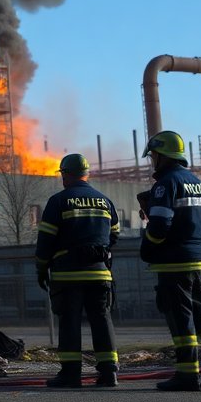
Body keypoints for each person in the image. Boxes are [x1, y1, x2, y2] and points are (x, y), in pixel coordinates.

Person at [138, 130, 201, 391]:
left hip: (174, 264)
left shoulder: (165, 184)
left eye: (154, 155)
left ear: (161, 155)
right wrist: (198, 246)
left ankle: (186, 375)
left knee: (181, 318)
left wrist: (148, 247)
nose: (153, 160)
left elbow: (159, 227)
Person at [35, 153, 120, 388]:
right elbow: (114, 234)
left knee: (70, 322)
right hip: (100, 274)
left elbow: (45, 241)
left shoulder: (59, 201)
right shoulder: (105, 201)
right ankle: (109, 373)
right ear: (86, 174)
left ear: (67, 174)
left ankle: (71, 374)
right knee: (102, 320)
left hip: (68, 275)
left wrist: (42, 269)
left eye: (63, 174)